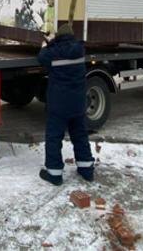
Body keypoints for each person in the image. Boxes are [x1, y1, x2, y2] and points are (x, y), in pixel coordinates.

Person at [37, 23, 95, 185]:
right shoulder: (79, 49)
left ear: (58, 37)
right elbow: (66, 50)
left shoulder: (54, 52)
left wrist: (46, 44)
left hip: (59, 105)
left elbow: (42, 58)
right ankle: (87, 170)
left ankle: (54, 174)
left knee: (54, 138)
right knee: (80, 135)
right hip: (77, 104)